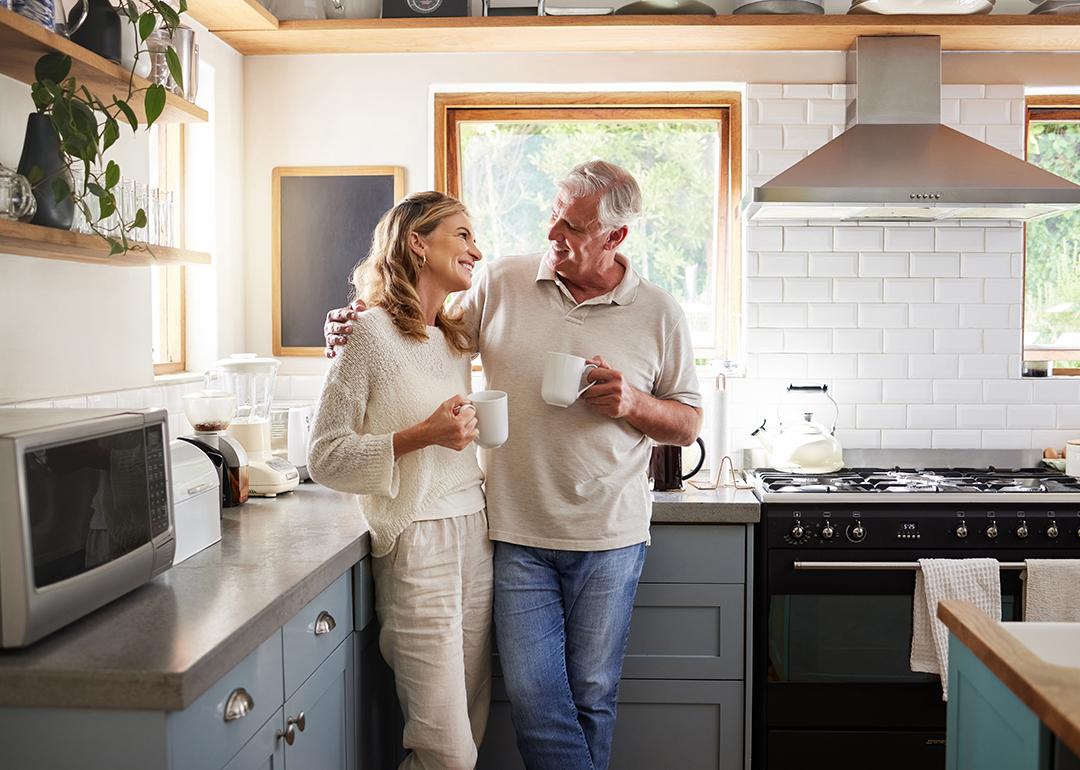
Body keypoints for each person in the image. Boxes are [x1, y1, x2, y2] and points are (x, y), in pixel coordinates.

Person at [325, 161, 703, 770]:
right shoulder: (502, 281)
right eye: (553, 214)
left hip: (611, 535)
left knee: (593, 695)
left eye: (573, 227)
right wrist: (352, 320)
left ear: (615, 238)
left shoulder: (659, 311)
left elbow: (687, 422)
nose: (554, 233)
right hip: (512, 531)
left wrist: (632, 402)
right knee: (531, 695)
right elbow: (423, 332)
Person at [307, 191, 492, 770]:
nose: (476, 250)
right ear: (417, 241)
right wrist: (423, 435)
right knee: (447, 752)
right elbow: (326, 456)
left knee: (473, 725)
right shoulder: (367, 334)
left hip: (475, 534)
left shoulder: (454, 338)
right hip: (416, 543)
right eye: (461, 235)